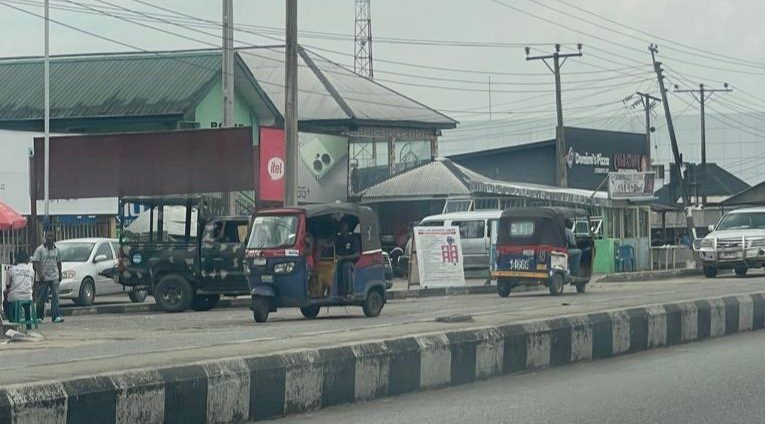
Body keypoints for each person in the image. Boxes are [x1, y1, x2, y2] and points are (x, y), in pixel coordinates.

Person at [32, 233, 64, 323]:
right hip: (43, 278)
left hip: (54, 276)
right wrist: (40, 273)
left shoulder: (57, 250)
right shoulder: (40, 249)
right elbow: (35, 263)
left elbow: (59, 262)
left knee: (55, 297)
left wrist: (60, 274)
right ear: (45, 238)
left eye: (52, 236)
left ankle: (55, 316)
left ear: (54, 238)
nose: (50, 238)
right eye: (49, 236)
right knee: (41, 297)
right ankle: (39, 317)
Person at [3, 251, 35, 325]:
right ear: (27, 260)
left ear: (16, 259)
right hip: (28, 296)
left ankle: (12, 319)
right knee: (26, 307)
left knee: (6, 299)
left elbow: (8, 285)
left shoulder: (11, 270)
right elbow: (32, 284)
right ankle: (28, 324)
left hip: (15, 296)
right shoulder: (31, 270)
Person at [335, 218, 360, 296]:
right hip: (338, 261)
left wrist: (342, 258)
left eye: (344, 226)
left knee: (346, 266)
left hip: (352, 262)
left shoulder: (353, 239)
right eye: (341, 226)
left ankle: (348, 292)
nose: (342, 228)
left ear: (348, 227)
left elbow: (357, 254)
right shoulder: (338, 239)